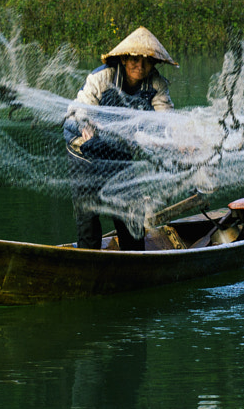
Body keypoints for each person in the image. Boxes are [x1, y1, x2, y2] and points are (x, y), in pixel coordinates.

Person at [66, 26, 176, 249]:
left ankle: (134, 265)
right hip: (84, 151)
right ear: (124, 59)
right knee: (89, 217)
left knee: (131, 219)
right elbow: (81, 109)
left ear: (154, 64)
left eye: (147, 61)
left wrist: (175, 140)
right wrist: (87, 128)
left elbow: (166, 120)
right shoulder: (102, 77)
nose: (140, 66)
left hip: (119, 153)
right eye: (134, 59)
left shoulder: (156, 84)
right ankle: (90, 264)